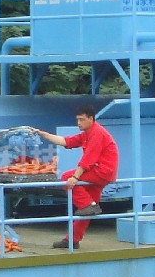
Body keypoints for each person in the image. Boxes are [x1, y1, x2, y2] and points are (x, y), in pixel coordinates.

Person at [38, 104, 117, 249]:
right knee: (87, 211)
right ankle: (72, 240)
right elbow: (67, 141)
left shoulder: (97, 133)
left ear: (91, 118)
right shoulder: (88, 133)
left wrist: (75, 177)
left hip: (102, 171)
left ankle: (88, 206)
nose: (78, 123)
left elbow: (88, 158)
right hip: (101, 171)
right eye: (77, 120)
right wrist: (44, 135)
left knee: (66, 176)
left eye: (81, 120)